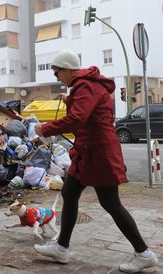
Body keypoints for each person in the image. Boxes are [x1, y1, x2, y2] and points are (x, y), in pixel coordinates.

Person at [34, 49, 158, 273]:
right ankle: (61, 247)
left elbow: (78, 118)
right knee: (70, 193)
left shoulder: (86, 85)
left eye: (56, 72)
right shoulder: (84, 86)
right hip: (88, 152)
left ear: (67, 69)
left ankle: (144, 253)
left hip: (99, 154)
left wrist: (46, 128)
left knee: (110, 203)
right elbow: (86, 113)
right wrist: (70, 100)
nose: (56, 77)